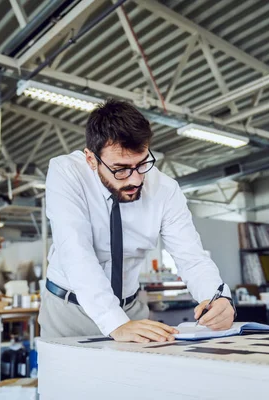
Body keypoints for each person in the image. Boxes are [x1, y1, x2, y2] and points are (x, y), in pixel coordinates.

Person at [38, 99, 235, 343]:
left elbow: (191, 258)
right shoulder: (66, 172)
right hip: (69, 310)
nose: (135, 180)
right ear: (91, 159)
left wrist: (218, 298)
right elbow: (75, 251)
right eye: (120, 169)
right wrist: (114, 322)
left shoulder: (165, 190)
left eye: (142, 164)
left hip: (131, 309)